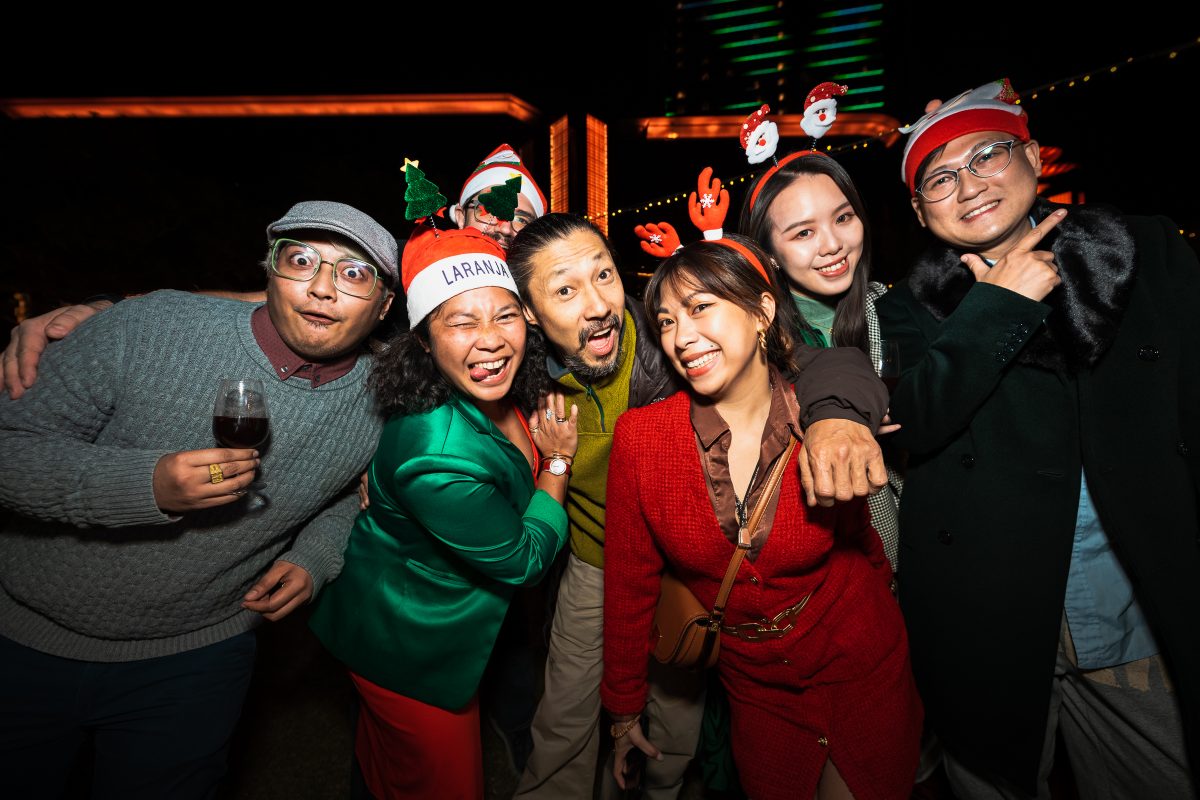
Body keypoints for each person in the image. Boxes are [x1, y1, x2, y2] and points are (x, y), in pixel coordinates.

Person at [0, 201, 398, 798]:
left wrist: (315, 556)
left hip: (197, 657)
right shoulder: (150, 327)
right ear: (269, 271)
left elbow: (352, 488)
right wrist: (145, 486)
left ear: (384, 306)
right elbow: (10, 447)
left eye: (354, 273)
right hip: (24, 641)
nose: (321, 287)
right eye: (301, 261)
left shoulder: (387, 393)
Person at [878, 79, 1200, 798]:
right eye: (940, 179)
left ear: (1033, 155)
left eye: (987, 155)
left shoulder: (1143, 250)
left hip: (1132, 600)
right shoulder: (906, 307)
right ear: (921, 211)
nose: (969, 186)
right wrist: (998, 304)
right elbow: (915, 419)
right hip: (988, 619)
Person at [507, 213, 893, 799]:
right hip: (594, 553)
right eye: (565, 290)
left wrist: (838, 415)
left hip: (705, 566)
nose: (598, 305)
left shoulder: (661, 338)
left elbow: (810, 362)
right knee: (565, 718)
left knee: (676, 729)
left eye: (604, 275)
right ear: (531, 313)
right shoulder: (519, 371)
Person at [602, 236, 922, 800]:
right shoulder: (641, 440)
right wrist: (624, 708)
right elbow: (629, 583)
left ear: (761, 312)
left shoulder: (819, 418)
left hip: (862, 664)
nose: (681, 337)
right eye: (666, 321)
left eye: (700, 307)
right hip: (755, 689)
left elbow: (860, 541)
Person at [308, 224, 575, 798]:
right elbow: (525, 560)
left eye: (505, 316)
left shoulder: (494, 388)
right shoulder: (437, 455)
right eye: (461, 322)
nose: (491, 340)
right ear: (424, 342)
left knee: (387, 772)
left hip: (422, 622)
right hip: (407, 646)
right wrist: (557, 464)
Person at [0, 142, 545, 400]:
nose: (502, 224)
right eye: (489, 208)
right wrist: (110, 309)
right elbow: (273, 299)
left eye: (520, 218)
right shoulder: (414, 265)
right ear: (460, 213)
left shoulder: (541, 290)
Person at [740, 151, 903, 570]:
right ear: (769, 253)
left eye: (843, 218)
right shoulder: (753, 339)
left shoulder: (894, 311)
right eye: (803, 233)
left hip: (910, 538)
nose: (832, 245)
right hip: (803, 558)